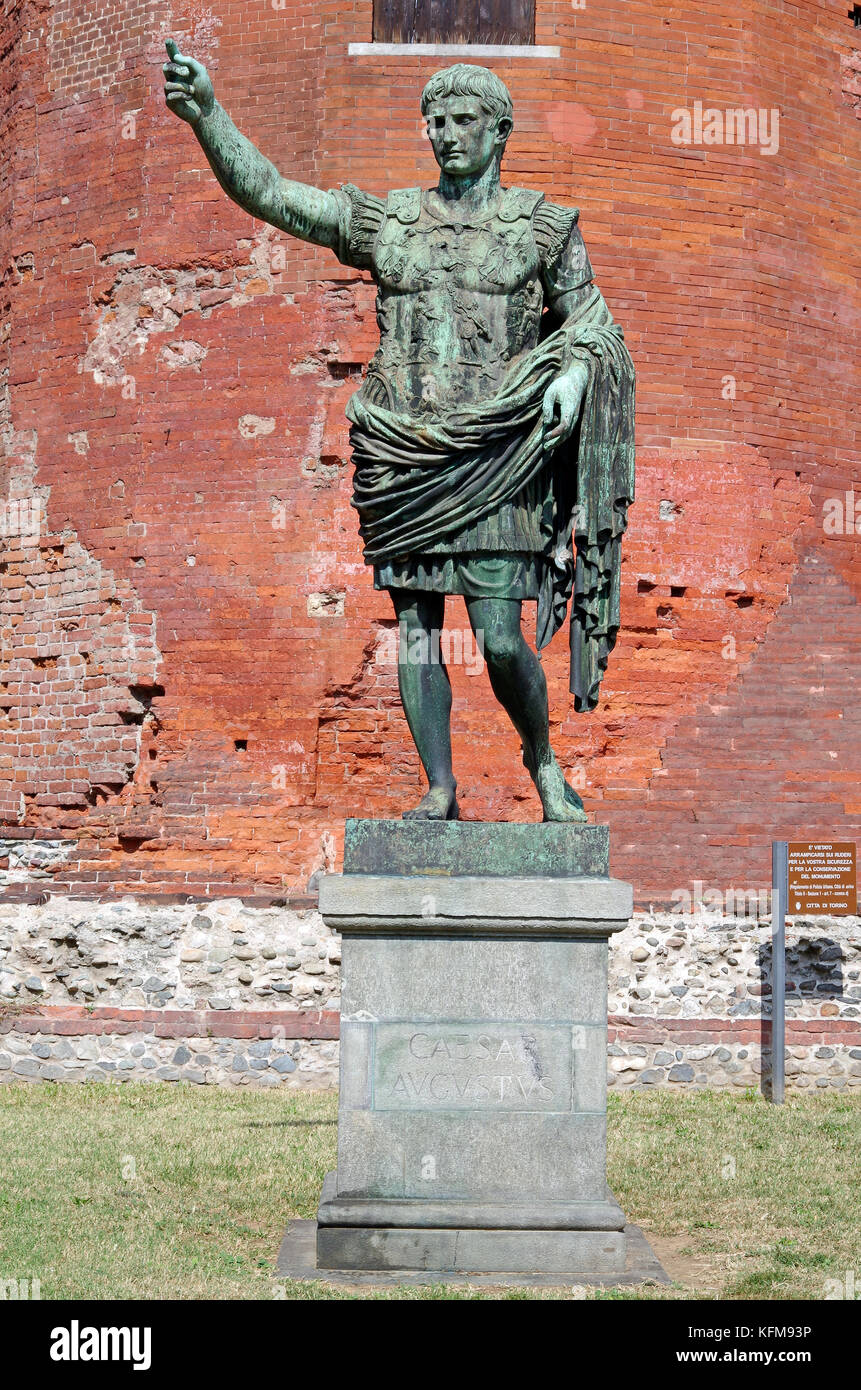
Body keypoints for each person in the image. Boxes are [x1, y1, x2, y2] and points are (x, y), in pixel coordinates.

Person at [163, 42, 635, 822]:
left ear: (500, 130)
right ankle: (438, 788)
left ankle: (543, 762)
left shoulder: (542, 229)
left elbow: (593, 324)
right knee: (416, 633)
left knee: (499, 639)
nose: (447, 134)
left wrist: (575, 375)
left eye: (464, 120)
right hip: (402, 448)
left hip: (497, 452)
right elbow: (276, 196)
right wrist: (209, 116)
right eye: (436, 121)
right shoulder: (390, 222)